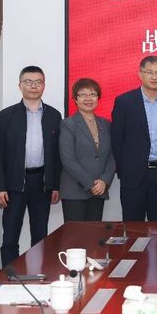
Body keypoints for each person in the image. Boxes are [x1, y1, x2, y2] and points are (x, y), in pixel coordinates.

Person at [0, 66, 61, 266]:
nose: (33, 86)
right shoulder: (6, 116)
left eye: (38, 82)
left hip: (42, 182)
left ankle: (38, 276)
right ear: (20, 86)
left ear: (44, 86)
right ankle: (10, 277)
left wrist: (55, 185)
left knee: (40, 236)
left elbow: (56, 155)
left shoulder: (54, 115)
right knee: (10, 236)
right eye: (28, 82)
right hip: (14, 184)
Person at [111, 56, 157, 221]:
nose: (154, 77)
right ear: (140, 74)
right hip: (133, 176)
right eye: (149, 72)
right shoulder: (124, 102)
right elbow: (116, 140)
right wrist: (124, 170)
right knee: (133, 228)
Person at [59, 78, 116, 222]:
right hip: (74, 191)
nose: (88, 98)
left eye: (92, 94)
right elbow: (68, 159)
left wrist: (104, 181)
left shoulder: (106, 124)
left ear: (98, 98)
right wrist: (91, 184)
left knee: (95, 234)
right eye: (83, 94)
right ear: (75, 99)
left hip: (98, 191)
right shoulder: (68, 124)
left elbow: (111, 156)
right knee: (76, 234)